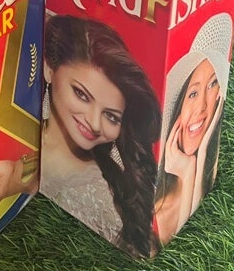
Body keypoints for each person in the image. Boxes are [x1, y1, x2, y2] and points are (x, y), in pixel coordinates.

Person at [40, 15, 161, 258]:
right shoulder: (14, 131)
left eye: (111, 117)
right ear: (49, 69)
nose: (94, 124)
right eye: (82, 95)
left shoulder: (103, 199)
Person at [154, 12, 233, 244]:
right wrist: (187, 173)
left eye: (213, 85)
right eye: (193, 93)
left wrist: (192, 173)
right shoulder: (156, 215)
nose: (201, 107)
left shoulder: (208, 181)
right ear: (178, 108)